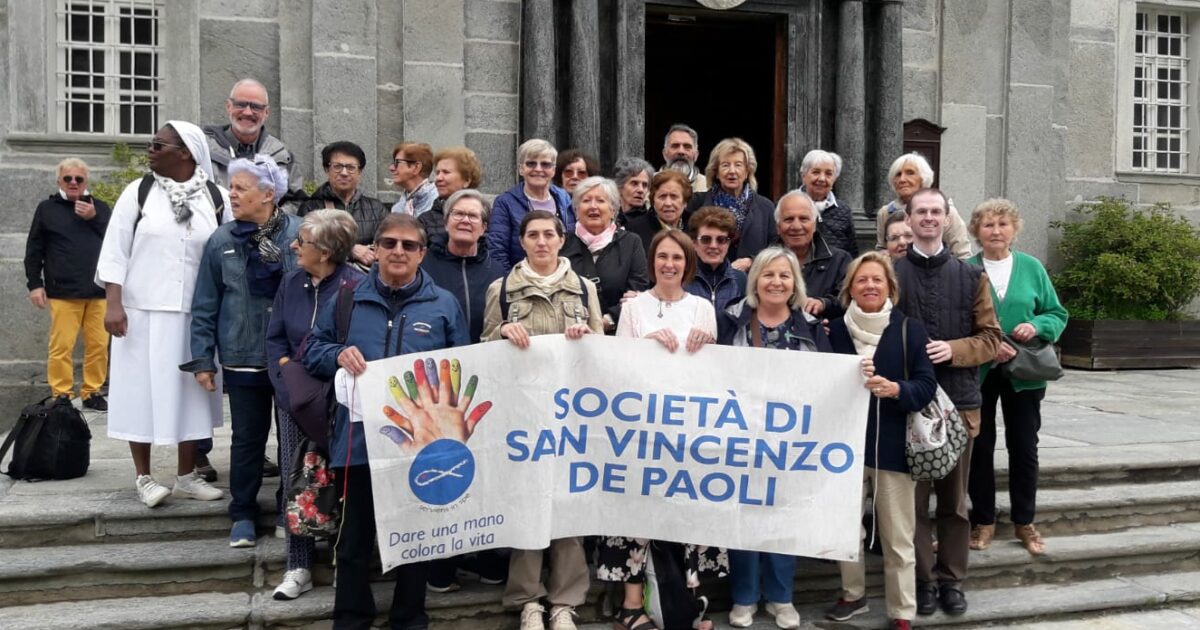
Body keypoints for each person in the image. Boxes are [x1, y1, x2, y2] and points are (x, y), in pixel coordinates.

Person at [303, 213, 469, 629]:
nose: (398, 252)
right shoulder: (345, 298)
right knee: (355, 541)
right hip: (357, 441)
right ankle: (351, 619)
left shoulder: (444, 304)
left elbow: (461, 369)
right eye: (389, 243)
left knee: (416, 539)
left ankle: (409, 618)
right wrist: (337, 355)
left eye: (408, 245)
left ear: (422, 254)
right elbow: (313, 350)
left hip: (419, 445)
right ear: (374, 250)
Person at [95, 120, 228, 508]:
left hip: (196, 316)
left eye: (159, 144)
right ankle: (144, 476)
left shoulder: (216, 198)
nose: (150, 149)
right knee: (141, 392)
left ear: (185, 151)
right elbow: (114, 251)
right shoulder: (138, 193)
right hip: (140, 314)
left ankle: (187, 475)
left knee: (192, 395)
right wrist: (113, 304)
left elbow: (227, 254)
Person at [483, 209, 601, 630]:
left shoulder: (584, 289)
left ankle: (566, 600)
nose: (541, 242)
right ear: (522, 240)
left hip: (571, 415)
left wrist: (586, 339)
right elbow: (483, 347)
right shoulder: (503, 289)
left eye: (548, 234)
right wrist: (501, 336)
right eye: (532, 235)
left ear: (561, 238)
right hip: (524, 414)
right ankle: (528, 599)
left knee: (568, 506)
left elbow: (601, 355)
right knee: (527, 504)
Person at [894, 188, 1001, 617]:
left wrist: (953, 350)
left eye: (936, 211)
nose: (929, 218)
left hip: (959, 406)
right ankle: (922, 581)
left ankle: (953, 581)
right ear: (909, 217)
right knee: (914, 505)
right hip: (908, 407)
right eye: (921, 211)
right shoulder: (891, 272)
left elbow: (992, 339)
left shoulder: (972, 275)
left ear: (946, 218)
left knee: (955, 504)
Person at [183, 155, 300, 548]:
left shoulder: (298, 234)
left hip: (290, 359)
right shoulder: (221, 241)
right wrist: (203, 359)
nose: (231, 195)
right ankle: (244, 514)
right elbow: (205, 304)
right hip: (241, 356)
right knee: (247, 439)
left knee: (292, 438)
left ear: (268, 194)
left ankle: (290, 508)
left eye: (240, 188)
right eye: (231, 188)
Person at [716, 246, 831, 630]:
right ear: (755, 281)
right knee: (744, 517)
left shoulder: (811, 328)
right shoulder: (730, 320)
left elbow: (830, 381)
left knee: (783, 516)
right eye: (768, 275)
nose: (776, 282)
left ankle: (781, 598)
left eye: (784, 275)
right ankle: (745, 597)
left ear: (795, 283)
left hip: (791, 443)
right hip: (740, 437)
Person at [825, 252, 938, 630]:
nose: (870, 286)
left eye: (877, 280)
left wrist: (895, 389)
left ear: (890, 287)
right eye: (862, 280)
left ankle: (901, 611)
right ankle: (853, 595)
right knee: (844, 531)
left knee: (898, 537)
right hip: (846, 450)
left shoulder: (909, 329)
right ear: (850, 289)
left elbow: (926, 386)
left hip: (894, 450)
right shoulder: (836, 330)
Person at [265, 208, 362, 599]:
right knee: (295, 478)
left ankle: (344, 561)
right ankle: (298, 565)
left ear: (324, 250)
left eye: (301, 242)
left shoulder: (356, 286)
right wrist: (285, 387)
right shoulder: (290, 282)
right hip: (295, 400)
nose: (293, 246)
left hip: (341, 400)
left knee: (343, 478)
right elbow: (274, 342)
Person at [966, 199, 1069, 557]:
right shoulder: (966, 269)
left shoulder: (1032, 268)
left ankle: (1025, 521)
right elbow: (956, 321)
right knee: (979, 448)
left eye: (1002, 224)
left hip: (1024, 372)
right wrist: (988, 346)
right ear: (976, 231)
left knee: (1024, 447)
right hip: (979, 372)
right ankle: (983, 521)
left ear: (1014, 229)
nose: (996, 231)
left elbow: (1056, 313)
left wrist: (1037, 324)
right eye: (988, 225)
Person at [24, 158, 112, 410]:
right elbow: (34, 249)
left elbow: (116, 240)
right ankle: (61, 394)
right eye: (68, 178)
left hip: (99, 291)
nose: (73, 183)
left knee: (98, 346)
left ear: (86, 181)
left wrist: (94, 218)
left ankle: (91, 391)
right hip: (63, 291)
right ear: (58, 181)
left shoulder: (101, 208)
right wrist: (34, 284)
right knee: (61, 346)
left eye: (79, 179)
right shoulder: (46, 209)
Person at [560, 177, 651, 334]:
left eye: (600, 201)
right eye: (586, 200)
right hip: (569, 334)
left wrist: (608, 320)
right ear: (576, 210)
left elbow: (637, 291)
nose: (593, 206)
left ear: (613, 210)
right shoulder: (562, 243)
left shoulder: (631, 242)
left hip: (617, 335)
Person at [420, 189, 505, 344]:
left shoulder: (497, 273)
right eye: (458, 214)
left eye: (473, 216)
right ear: (445, 223)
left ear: (484, 228)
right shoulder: (423, 267)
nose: (465, 220)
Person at [685, 138, 776, 272]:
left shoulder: (765, 207)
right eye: (725, 165)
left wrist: (752, 261)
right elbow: (686, 243)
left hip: (752, 283)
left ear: (747, 171)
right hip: (706, 281)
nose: (732, 171)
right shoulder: (697, 202)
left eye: (738, 165)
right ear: (716, 172)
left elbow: (776, 247)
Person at [297, 141, 389, 269]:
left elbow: (388, 247)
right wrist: (350, 251)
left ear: (360, 172)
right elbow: (305, 248)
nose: (344, 173)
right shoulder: (310, 208)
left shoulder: (376, 208)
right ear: (326, 170)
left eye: (351, 167)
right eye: (337, 166)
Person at [488, 139, 576, 271]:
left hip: (562, 281)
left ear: (553, 170)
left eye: (545, 164)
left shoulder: (565, 199)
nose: (538, 169)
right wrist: (511, 283)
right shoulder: (505, 202)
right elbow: (497, 250)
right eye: (531, 164)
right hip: (521, 282)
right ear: (521, 169)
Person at [203, 78, 299, 192]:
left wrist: (270, 210)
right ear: (228, 106)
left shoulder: (281, 155)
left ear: (266, 112)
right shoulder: (203, 149)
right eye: (240, 105)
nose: (247, 112)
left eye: (256, 107)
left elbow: (295, 201)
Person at [875, 153, 971, 258]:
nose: (902, 179)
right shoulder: (885, 213)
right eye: (898, 174)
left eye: (910, 173)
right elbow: (882, 248)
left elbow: (962, 254)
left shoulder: (945, 211)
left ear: (923, 179)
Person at [775, 191, 851, 319]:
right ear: (778, 227)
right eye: (788, 219)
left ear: (814, 224)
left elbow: (848, 300)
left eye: (803, 219)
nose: (796, 226)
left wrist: (823, 304)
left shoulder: (840, 260)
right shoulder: (764, 264)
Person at [685, 206, 747, 314]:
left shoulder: (740, 280)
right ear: (694, 243)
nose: (713, 245)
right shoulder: (682, 278)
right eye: (706, 239)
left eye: (721, 240)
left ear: (728, 243)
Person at [797, 149, 858, 256]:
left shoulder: (843, 210)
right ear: (803, 175)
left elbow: (852, 252)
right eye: (816, 172)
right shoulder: (787, 206)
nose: (822, 178)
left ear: (835, 179)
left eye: (828, 174)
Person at [417, 146, 484, 243]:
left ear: (466, 180)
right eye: (437, 173)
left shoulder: (485, 217)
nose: (438, 178)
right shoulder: (425, 221)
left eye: (446, 172)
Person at [623, 170, 691, 257]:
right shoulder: (633, 231)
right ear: (653, 201)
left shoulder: (697, 227)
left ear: (685, 202)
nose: (668, 203)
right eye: (662, 196)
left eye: (674, 196)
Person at [390, 141, 437, 217]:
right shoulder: (398, 208)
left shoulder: (438, 202)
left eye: (397, 162)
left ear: (416, 167)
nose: (391, 168)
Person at [659, 123, 709, 193]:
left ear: (696, 155)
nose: (681, 151)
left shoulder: (708, 187)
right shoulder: (648, 184)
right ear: (664, 154)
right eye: (675, 146)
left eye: (687, 146)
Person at [612, 157, 655, 227]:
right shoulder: (609, 219)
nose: (641, 190)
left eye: (644, 185)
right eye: (634, 183)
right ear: (619, 186)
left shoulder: (653, 222)